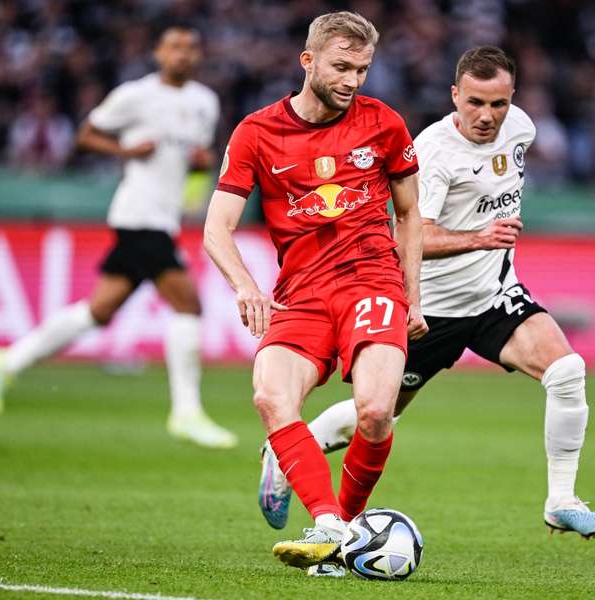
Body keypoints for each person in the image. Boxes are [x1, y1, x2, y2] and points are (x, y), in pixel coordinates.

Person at [257, 46, 595, 571]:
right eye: (475, 102)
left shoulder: (522, 128)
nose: (487, 115)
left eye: (498, 103)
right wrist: (477, 239)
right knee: (377, 416)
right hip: (431, 309)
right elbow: (412, 232)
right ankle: (289, 450)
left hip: (494, 296)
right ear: (455, 95)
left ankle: (561, 501)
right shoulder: (434, 150)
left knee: (566, 371)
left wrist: (489, 240)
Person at [203, 11, 427, 570]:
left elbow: (410, 215)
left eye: (363, 70)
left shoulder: (385, 124)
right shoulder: (256, 132)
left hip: (370, 280)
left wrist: (413, 297)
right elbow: (216, 229)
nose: (353, 81)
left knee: (376, 412)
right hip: (299, 293)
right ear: (308, 61)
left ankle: (343, 530)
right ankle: (328, 523)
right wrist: (246, 286)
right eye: (342, 66)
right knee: (270, 396)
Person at [0, 25, 238, 449]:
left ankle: (7, 360)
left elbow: (194, 173)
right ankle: (186, 412)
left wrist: (199, 168)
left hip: (164, 217)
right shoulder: (135, 95)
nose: (183, 54)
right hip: (137, 215)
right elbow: (85, 135)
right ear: (159, 52)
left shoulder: (204, 103)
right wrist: (126, 152)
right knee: (189, 305)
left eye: (191, 47)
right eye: (175, 47)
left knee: (99, 310)